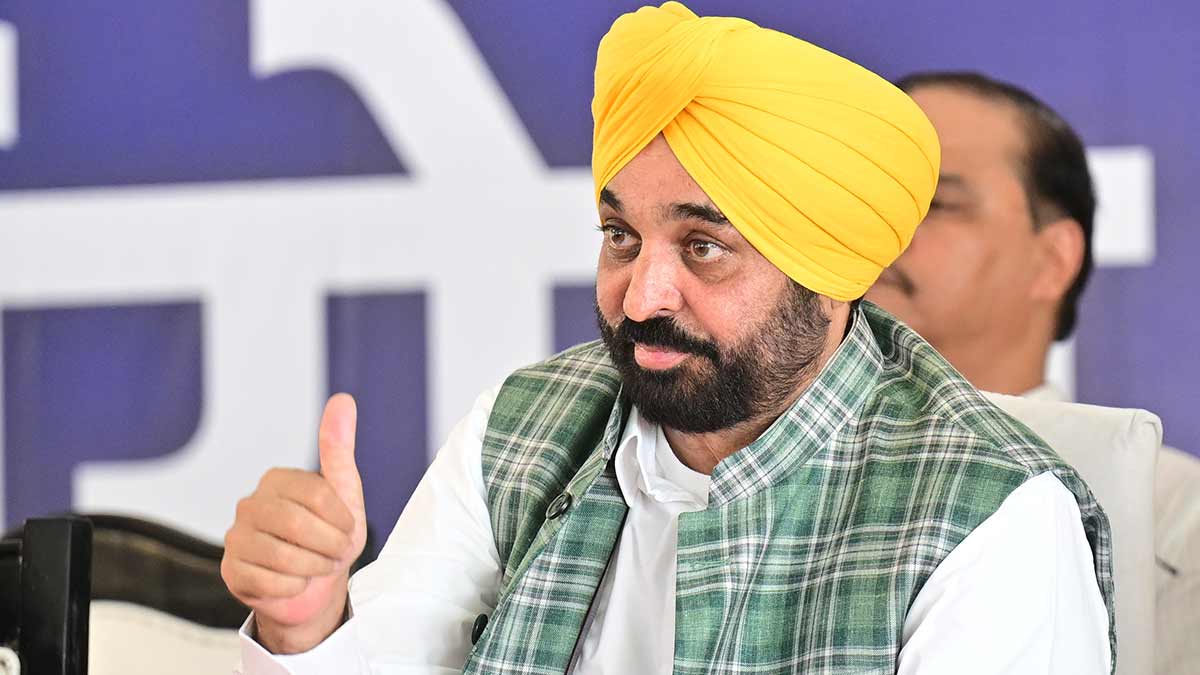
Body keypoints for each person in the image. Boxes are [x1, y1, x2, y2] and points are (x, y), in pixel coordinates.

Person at [222, 5, 1115, 673]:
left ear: (832, 274)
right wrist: (306, 625)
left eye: (703, 247)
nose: (642, 294)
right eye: (621, 236)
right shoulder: (524, 426)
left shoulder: (990, 521)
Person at [866, 70, 1200, 674]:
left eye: (935, 204)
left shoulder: (1180, 521)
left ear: (1053, 260)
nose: (877, 229)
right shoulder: (737, 478)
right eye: (863, 199)